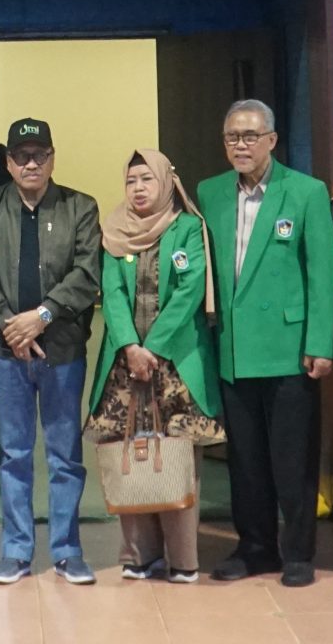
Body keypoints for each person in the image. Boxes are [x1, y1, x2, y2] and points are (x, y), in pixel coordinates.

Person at [196, 98, 333, 588]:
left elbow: (322, 273)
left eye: (250, 136)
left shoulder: (305, 192)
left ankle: (298, 552)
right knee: (245, 460)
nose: (241, 145)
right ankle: (254, 548)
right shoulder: (210, 192)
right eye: (232, 137)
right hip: (233, 348)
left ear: (272, 140)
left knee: (292, 459)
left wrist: (321, 342)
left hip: (290, 348)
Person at [0, 116, 104, 586]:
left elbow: (87, 273)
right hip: (8, 350)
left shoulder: (79, 207)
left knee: (65, 453)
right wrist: (13, 326)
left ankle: (67, 551)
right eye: (22, 156)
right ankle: (16, 550)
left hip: (62, 348)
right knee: (14, 452)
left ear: (52, 159)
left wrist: (41, 317)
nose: (31, 164)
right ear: (9, 162)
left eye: (39, 155)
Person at [89, 150, 222, 584]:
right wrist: (130, 345)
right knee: (128, 452)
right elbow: (112, 293)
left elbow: (190, 290)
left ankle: (183, 559)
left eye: (147, 179)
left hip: (176, 365)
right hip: (126, 366)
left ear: (166, 182)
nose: (139, 188)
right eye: (131, 181)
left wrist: (155, 347)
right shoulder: (114, 231)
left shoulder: (188, 228)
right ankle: (139, 556)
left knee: (177, 458)